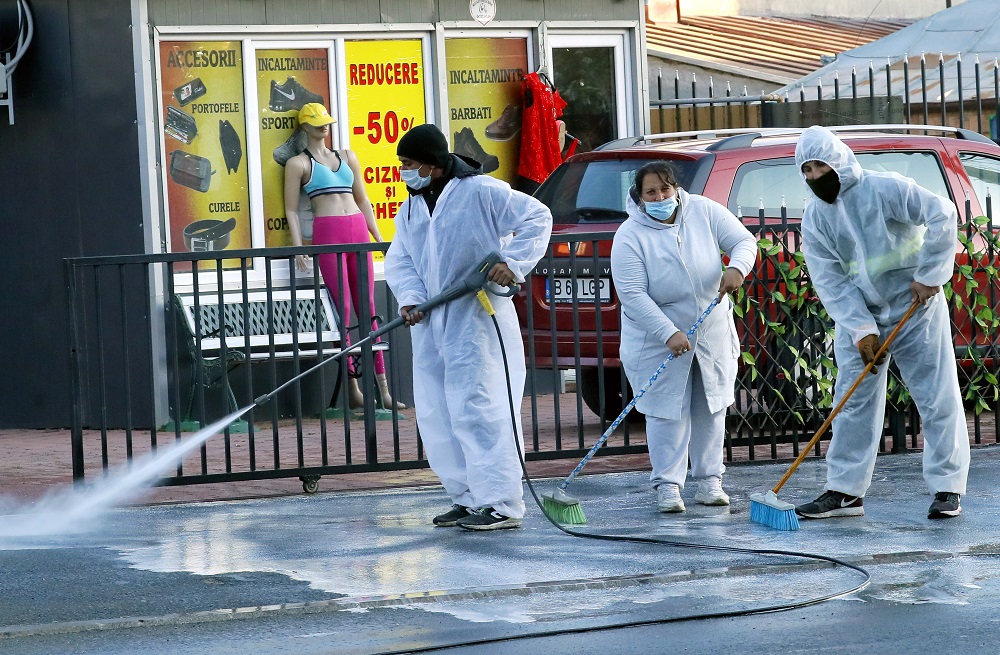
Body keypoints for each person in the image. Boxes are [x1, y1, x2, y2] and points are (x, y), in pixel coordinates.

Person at [793, 125, 970, 520]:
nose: (814, 177)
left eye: (820, 165)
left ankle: (948, 488)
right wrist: (861, 329)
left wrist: (929, 275)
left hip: (914, 309)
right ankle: (845, 492)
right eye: (806, 170)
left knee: (936, 397)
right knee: (852, 402)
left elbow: (942, 214)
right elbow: (830, 279)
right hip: (864, 316)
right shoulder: (815, 217)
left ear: (838, 159)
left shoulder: (885, 189)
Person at [384, 124, 552, 531]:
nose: (403, 172)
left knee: (481, 408)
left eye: (407, 164)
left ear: (432, 164)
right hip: (431, 320)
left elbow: (537, 216)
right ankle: (467, 496)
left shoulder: (481, 191)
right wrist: (409, 297)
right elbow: (401, 257)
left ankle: (501, 503)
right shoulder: (411, 206)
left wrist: (510, 263)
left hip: (477, 318)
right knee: (439, 411)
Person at [610, 162, 757, 513]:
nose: (660, 197)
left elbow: (743, 240)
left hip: (711, 331)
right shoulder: (629, 236)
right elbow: (633, 294)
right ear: (639, 197)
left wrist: (737, 267)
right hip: (656, 339)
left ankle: (709, 482)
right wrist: (668, 332)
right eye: (651, 192)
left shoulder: (703, 211)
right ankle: (668, 487)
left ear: (675, 187)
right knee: (665, 411)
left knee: (711, 405)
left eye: (665, 189)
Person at [283, 103, 404, 411]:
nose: (324, 127)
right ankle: (353, 386)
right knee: (344, 311)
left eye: (325, 122)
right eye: (316, 123)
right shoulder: (298, 164)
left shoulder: (347, 156)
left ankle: (383, 388)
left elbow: (363, 199)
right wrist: (299, 248)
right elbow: (291, 210)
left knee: (370, 307)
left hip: (357, 230)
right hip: (329, 234)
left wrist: (378, 236)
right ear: (305, 127)